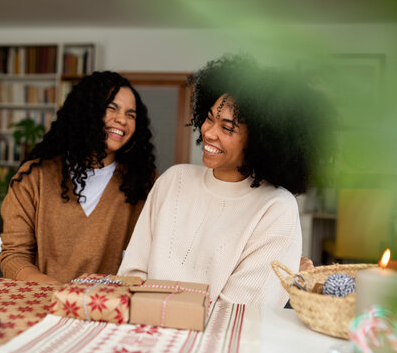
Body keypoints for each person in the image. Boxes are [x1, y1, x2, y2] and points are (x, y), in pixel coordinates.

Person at [118, 54, 333, 307]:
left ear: (260, 140)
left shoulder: (276, 207)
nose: (208, 132)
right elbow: (130, 277)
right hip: (144, 334)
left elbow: (238, 312)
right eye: (209, 118)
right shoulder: (173, 180)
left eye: (227, 128)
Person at [0, 71, 156, 285]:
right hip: (43, 303)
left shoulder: (142, 183)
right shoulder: (34, 177)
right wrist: (58, 292)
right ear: (86, 111)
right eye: (112, 108)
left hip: (106, 307)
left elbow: (147, 260)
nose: (122, 119)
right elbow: (13, 256)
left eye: (131, 114)